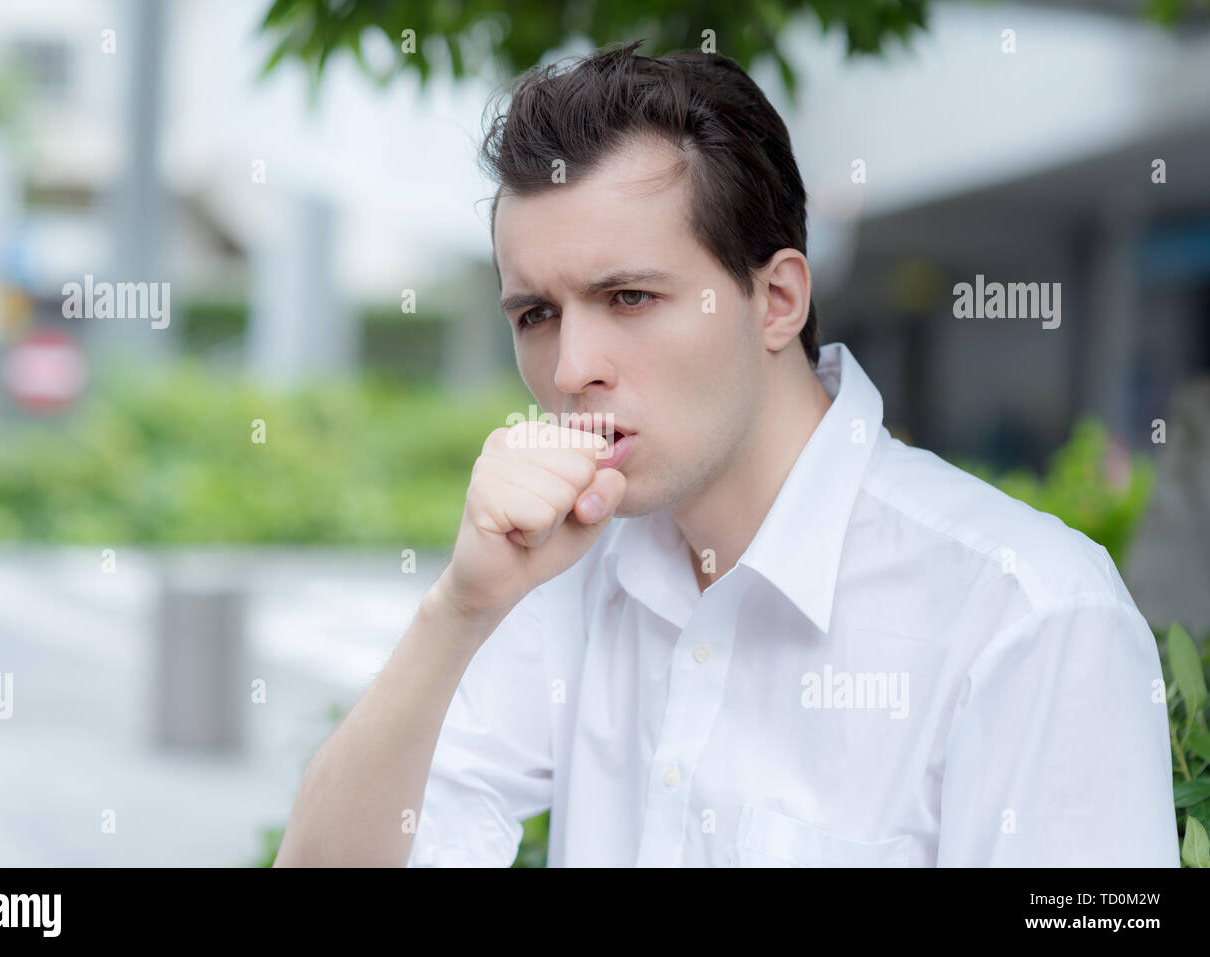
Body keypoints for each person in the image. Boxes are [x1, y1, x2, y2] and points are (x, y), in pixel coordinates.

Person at [274, 40, 1179, 867]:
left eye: (628, 297)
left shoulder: (1028, 616)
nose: (571, 368)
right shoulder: (563, 575)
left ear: (777, 299)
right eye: (536, 314)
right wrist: (457, 612)